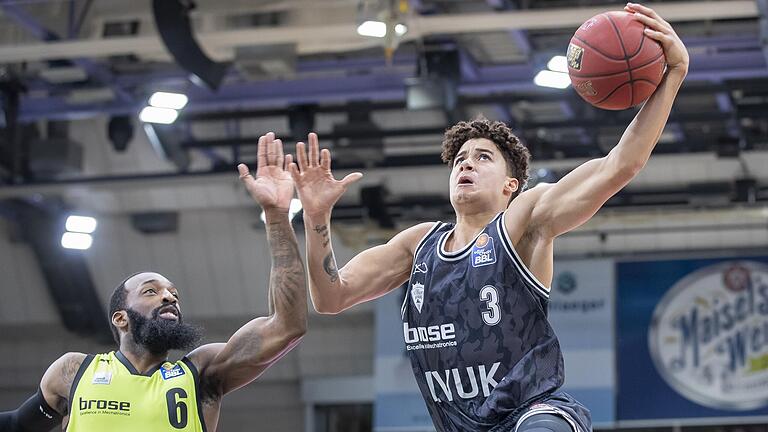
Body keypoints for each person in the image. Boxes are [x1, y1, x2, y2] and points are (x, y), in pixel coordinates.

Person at [288, 3, 688, 431]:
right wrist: (316, 219)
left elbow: (619, 165)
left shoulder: (523, 221)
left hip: (535, 415)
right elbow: (330, 298)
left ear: (510, 185)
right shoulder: (418, 246)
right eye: (460, 159)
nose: (466, 165)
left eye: (482, 158)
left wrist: (674, 75)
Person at [0, 133, 307, 431]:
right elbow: (16, 424)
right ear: (121, 318)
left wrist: (277, 215)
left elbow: (286, 327)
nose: (169, 298)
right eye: (152, 291)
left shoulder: (201, 371)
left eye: (173, 293)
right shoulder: (73, 371)